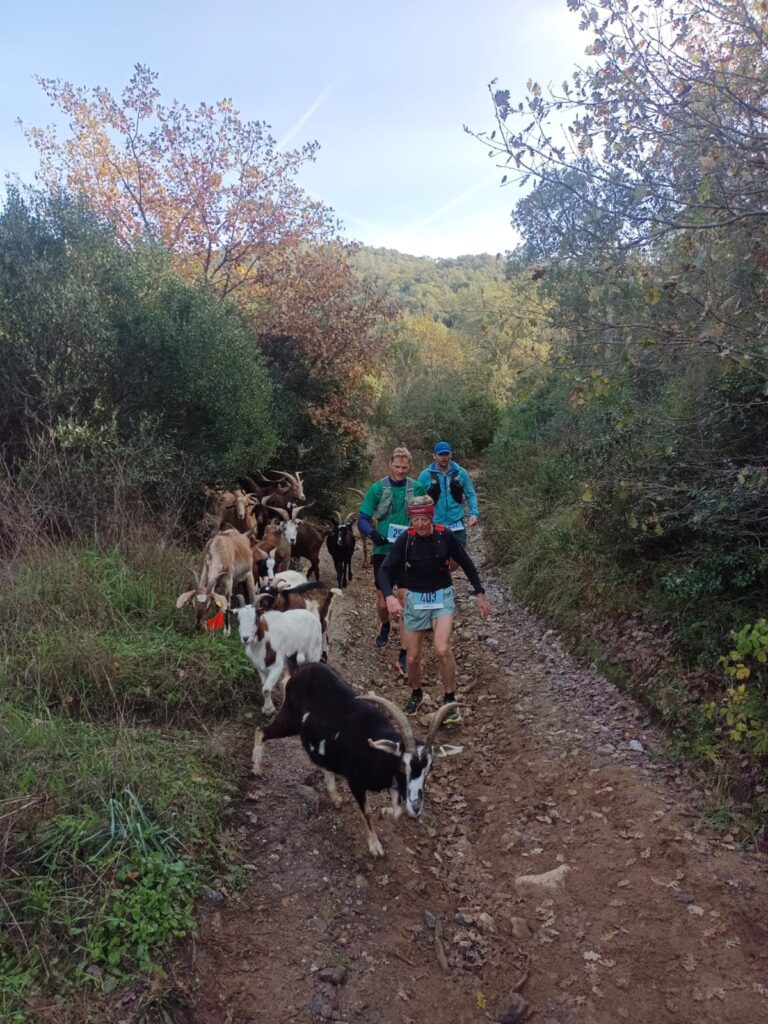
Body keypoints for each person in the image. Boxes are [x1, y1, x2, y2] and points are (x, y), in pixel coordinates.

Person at [378, 495, 491, 724]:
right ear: (410, 519)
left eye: (424, 519)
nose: (419, 524)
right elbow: (384, 570)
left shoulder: (444, 535)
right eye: (415, 519)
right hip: (415, 599)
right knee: (412, 658)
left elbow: (466, 562)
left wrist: (480, 593)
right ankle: (416, 693)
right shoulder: (406, 539)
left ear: (431, 518)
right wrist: (389, 596)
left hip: (442, 596)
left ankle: (449, 699)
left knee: (441, 648)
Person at [357, 447, 427, 673]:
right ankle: (385, 623)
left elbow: (427, 515)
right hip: (383, 550)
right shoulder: (377, 489)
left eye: (404, 468)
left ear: (409, 467)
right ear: (390, 464)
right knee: (382, 601)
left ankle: (404, 653)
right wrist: (372, 533)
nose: (400, 471)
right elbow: (363, 518)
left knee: (405, 599)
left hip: (408, 550)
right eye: (397, 467)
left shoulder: (417, 488)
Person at [417, 441, 478, 549]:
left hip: (457, 523)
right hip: (435, 523)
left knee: (459, 555)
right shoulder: (425, 475)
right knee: (436, 555)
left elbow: (470, 494)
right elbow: (417, 500)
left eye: (446, 454)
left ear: (451, 455)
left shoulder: (461, 473)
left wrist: (474, 513)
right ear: (434, 455)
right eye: (441, 454)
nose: (444, 457)